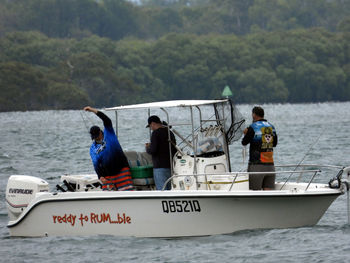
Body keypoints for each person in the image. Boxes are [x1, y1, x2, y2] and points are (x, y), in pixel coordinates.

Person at [84, 106, 134, 191]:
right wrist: (100, 176)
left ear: (100, 132)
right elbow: (95, 163)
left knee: (127, 193)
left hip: (121, 169)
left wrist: (92, 110)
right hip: (107, 176)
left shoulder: (109, 132)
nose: (96, 138)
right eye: (94, 137)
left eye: (97, 136)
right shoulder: (93, 149)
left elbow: (106, 119)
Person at [241, 106, 278, 190]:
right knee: (268, 194)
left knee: (255, 193)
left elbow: (244, 142)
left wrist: (246, 133)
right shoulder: (271, 127)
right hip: (270, 166)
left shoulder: (253, 127)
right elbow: (274, 144)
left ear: (254, 115)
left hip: (256, 166)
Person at [145, 115, 177, 190]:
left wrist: (147, 148)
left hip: (160, 167)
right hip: (171, 165)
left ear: (153, 123)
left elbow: (153, 150)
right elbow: (174, 147)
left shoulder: (155, 133)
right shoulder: (169, 132)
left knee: (162, 189)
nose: (151, 128)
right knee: (170, 189)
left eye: (150, 126)